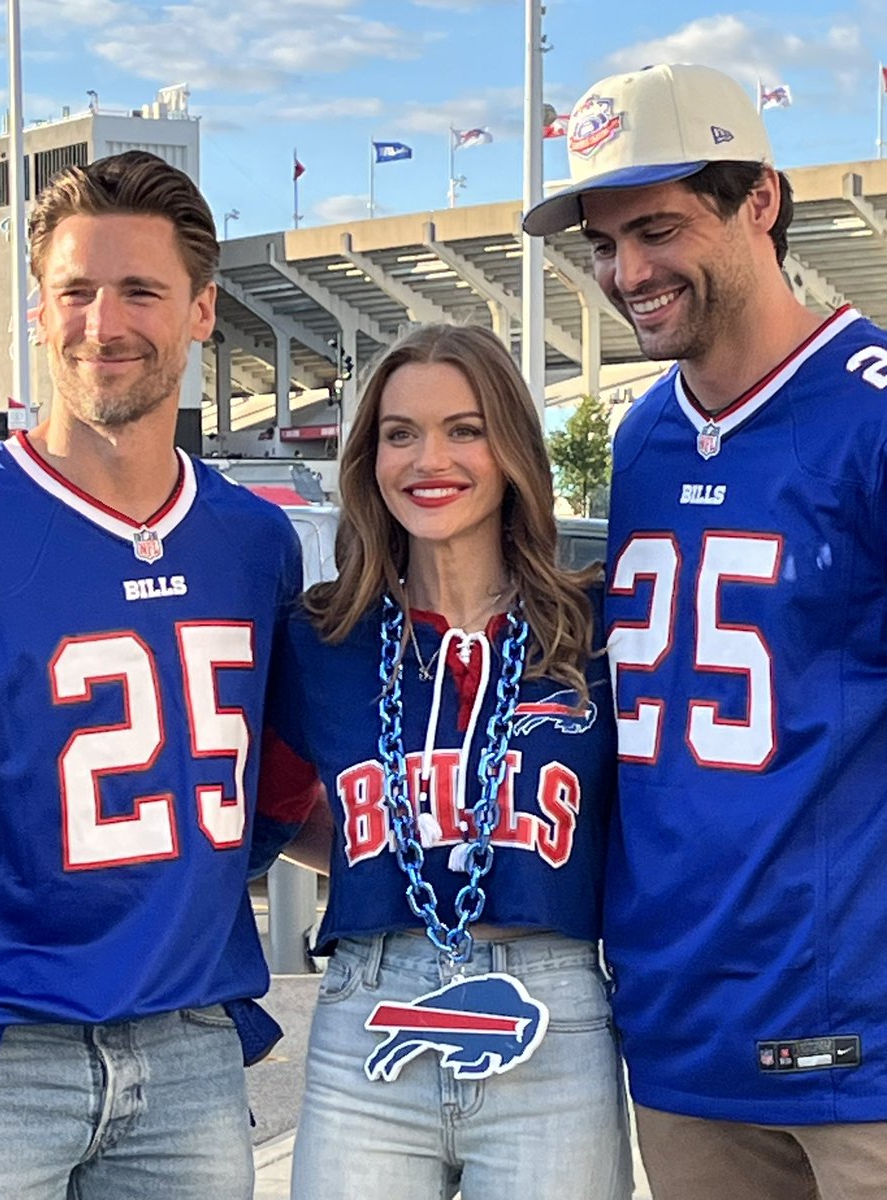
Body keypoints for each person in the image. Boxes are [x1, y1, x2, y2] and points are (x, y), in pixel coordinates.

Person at [524, 62, 887, 1199]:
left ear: (761, 202)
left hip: (859, 1044)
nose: (628, 272)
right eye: (604, 242)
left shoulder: (871, 412)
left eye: (659, 228)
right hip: (680, 1033)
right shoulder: (643, 438)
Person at [0, 150, 318, 1199]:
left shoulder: (252, 543)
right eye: (76, 291)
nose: (104, 322)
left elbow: (272, 790)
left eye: (141, 290)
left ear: (202, 311)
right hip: (5, 1053)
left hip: (188, 1054)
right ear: (37, 311)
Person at [271, 323, 632, 1200]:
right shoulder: (323, 639)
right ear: (370, 458)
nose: (429, 458)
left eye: (464, 429)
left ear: (510, 447)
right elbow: (282, 810)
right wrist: (393, 845)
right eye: (400, 433)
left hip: (552, 1013)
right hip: (373, 1011)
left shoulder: (597, 633)